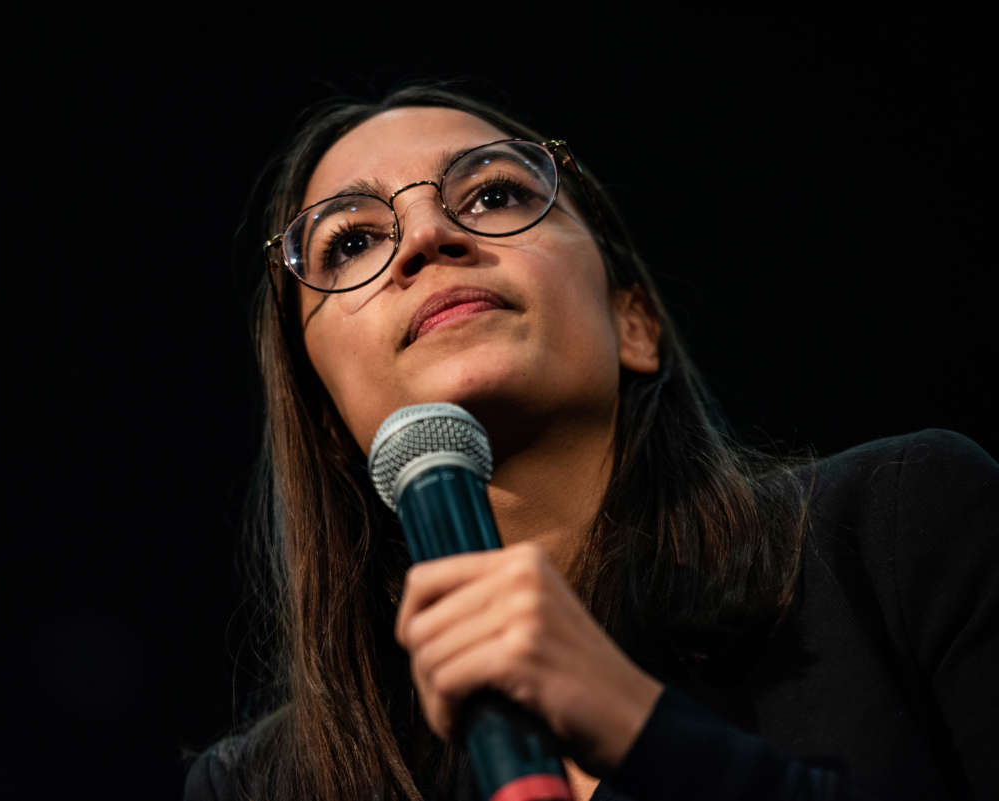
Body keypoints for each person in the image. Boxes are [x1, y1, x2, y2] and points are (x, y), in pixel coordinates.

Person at [185, 85, 999, 800]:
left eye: (494, 193)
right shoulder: (263, 783)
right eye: (353, 241)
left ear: (634, 322)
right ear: (328, 426)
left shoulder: (898, 530)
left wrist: (644, 731)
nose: (427, 238)